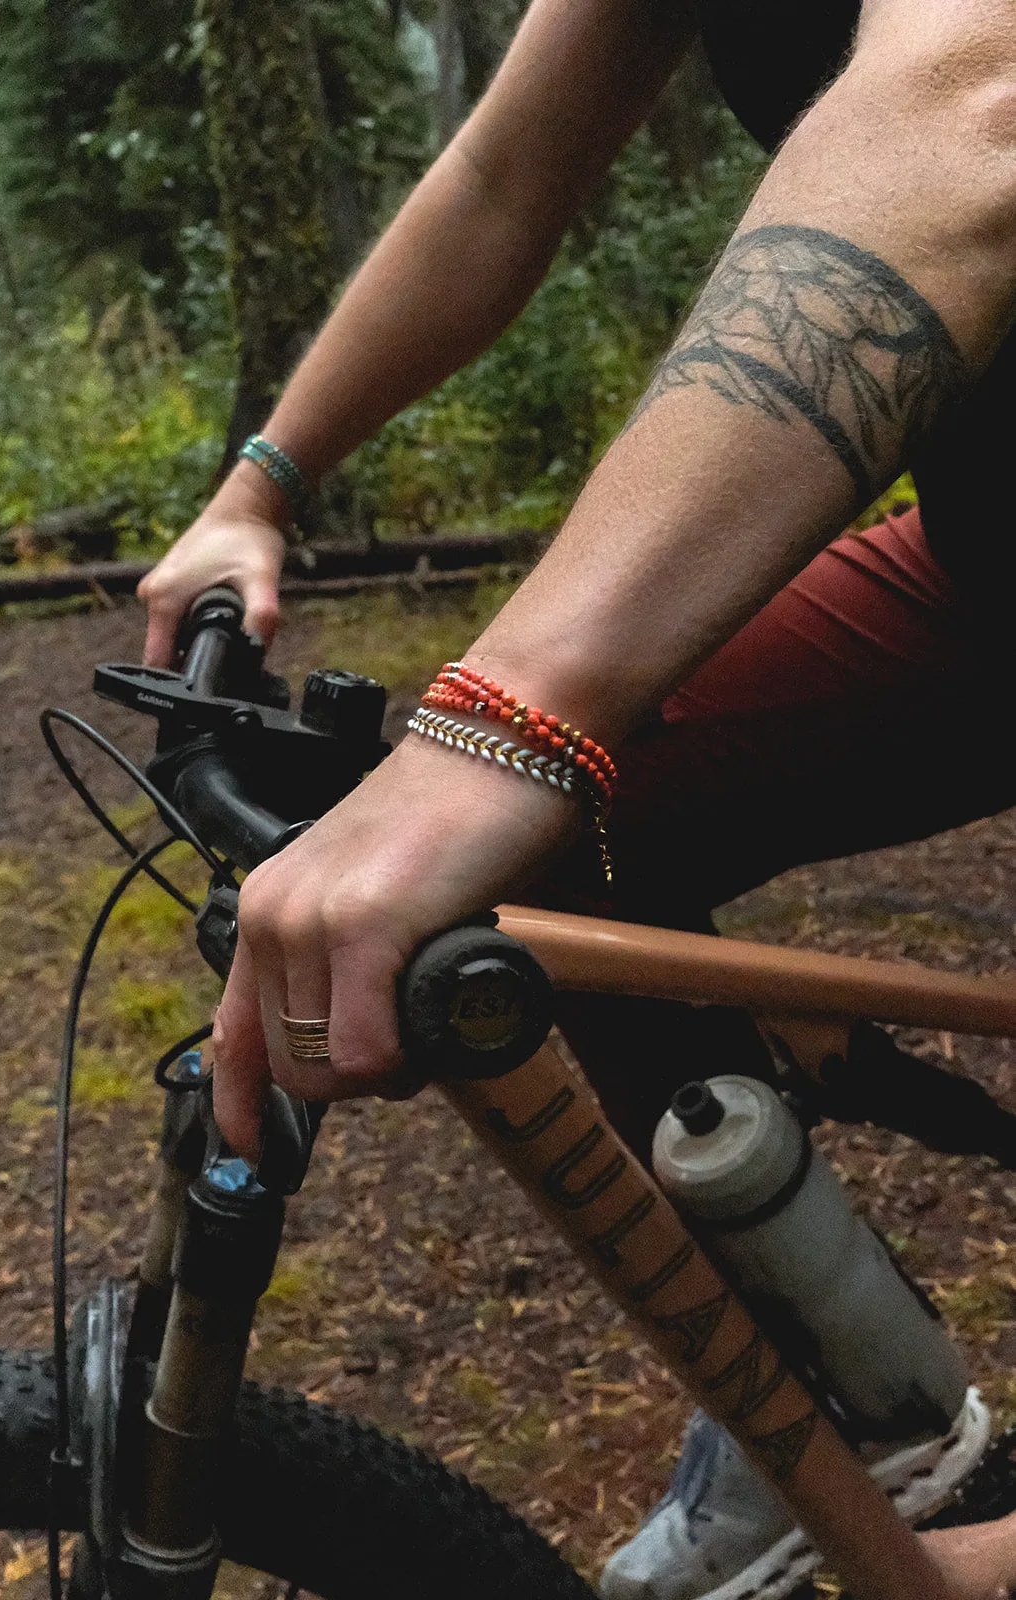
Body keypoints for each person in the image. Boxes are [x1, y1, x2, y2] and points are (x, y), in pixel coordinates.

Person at [139, 0, 1016, 1594]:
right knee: (571, 840)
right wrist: (255, 484)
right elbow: (497, 181)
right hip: (983, 577)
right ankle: (836, 1412)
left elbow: (974, 108)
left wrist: (506, 718)